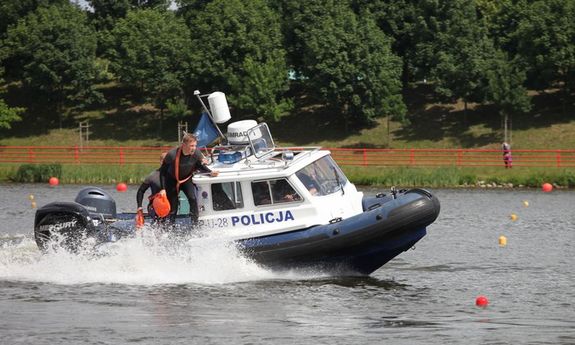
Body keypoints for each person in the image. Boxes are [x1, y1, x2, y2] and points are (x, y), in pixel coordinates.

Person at [160, 133, 219, 224]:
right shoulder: (172, 154)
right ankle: (170, 228)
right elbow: (162, 172)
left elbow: (199, 166)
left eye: (195, 145)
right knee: (173, 206)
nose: (194, 148)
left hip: (186, 179)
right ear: (184, 145)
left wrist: (210, 172)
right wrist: (163, 189)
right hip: (172, 180)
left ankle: (195, 224)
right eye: (191, 146)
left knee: (192, 199)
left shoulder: (196, 153)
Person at [136, 152, 167, 224]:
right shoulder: (152, 176)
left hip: (170, 205)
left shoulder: (175, 176)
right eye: (166, 161)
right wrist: (139, 207)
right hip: (155, 206)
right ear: (161, 161)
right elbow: (141, 191)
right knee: (160, 221)